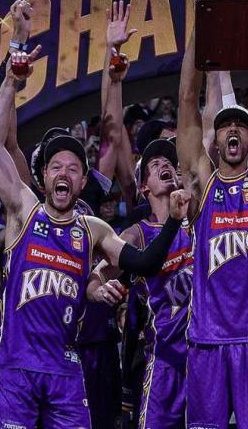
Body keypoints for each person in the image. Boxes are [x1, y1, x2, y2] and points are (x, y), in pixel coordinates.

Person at [0, 50, 190, 427]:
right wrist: (9, 82)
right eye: (55, 167)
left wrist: (174, 222)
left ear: (83, 181)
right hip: (17, 367)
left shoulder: (93, 228)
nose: (63, 173)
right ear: (44, 177)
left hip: (67, 368)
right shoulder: (23, 209)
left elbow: (146, 262)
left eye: (72, 168)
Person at [178, 27, 248, 427]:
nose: (233, 131)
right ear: (216, 138)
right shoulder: (201, 185)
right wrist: (202, 24)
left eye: (240, 125)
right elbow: (187, 100)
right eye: (225, 126)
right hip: (208, 336)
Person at [87, 138, 192, 429]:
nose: (164, 164)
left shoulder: (198, 222)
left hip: (205, 352)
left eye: (168, 162)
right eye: (155, 164)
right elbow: (98, 273)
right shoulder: (138, 233)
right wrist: (97, 290)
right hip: (165, 357)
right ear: (144, 187)